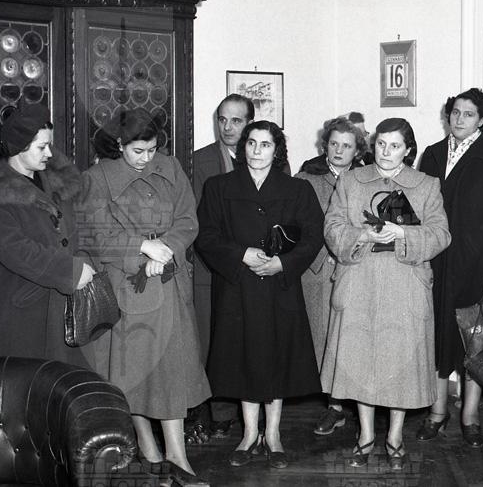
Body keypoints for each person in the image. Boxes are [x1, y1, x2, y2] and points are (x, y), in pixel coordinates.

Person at [76, 107, 210, 479]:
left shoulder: (171, 167)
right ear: (119, 144)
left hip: (169, 283)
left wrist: (164, 249)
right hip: (126, 290)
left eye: (152, 150)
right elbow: (95, 236)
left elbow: (188, 220)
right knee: (134, 376)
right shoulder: (96, 178)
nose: (146, 158)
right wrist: (141, 249)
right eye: (138, 151)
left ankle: (178, 457)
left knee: (172, 373)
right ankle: (149, 448)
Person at [321, 118, 450, 471]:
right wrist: (364, 235)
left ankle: (394, 437)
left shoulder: (426, 185)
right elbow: (332, 227)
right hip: (359, 281)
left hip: (405, 284)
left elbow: (441, 234)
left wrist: (402, 234)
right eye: (381, 144)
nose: (386, 152)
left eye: (395, 146)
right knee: (360, 362)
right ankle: (365, 435)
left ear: (408, 150)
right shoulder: (350, 181)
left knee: (399, 365)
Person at [196, 121, 324, 469]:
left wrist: (283, 263)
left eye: (265, 144)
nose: (256, 150)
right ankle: (250, 434)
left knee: (276, 357)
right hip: (237, 288)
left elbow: (313, 236)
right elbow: (206, 236)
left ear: (276, 150)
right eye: (251, 143)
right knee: (244, 357)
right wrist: (241, 254)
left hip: (280, 289)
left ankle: (274, 434)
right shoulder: (219, 187)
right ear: (243, 147)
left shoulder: (298, 189)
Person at [419, 88, 483, 448]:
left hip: (480, 266)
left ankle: (470, 414)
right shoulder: (432, 154)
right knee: (438, 337)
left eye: (468, 114)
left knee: (478, 341)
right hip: (438, 262)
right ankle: (437, 411)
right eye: (455, 112)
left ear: (482, 120)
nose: (459, 119)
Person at [0, 102, 95, 366]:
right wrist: (70, 271)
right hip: (23, 309)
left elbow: (78, 228)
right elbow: (15, 250)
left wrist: (85, 260)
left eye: (49, 145)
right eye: (42, 147)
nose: (49, 153)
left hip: (66, 306)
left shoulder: (57, 182)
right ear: (19, 147)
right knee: (28, 384)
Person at [295, 116, 368, 435]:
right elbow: (295, 226)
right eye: (334, 144)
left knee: (355, 337)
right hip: (320, 268)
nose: (339, 150)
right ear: (325, 146)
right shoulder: (306, 178)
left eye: (346, 146)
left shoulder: (367, 178)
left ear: (357, 150)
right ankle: (334, 406)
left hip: (357, 268)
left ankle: (362, 406)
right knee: (326, 339)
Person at [190, 93, 254, 441]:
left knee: (242, 341)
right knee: (209, 340)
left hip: (252, 269)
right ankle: (211, 413)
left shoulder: (265, 157)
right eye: (223, 120)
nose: (228, 127)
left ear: (249, 123)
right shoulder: (198, 161)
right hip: (209, 266)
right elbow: (194, 219)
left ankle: (239, 414)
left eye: (236, 120)